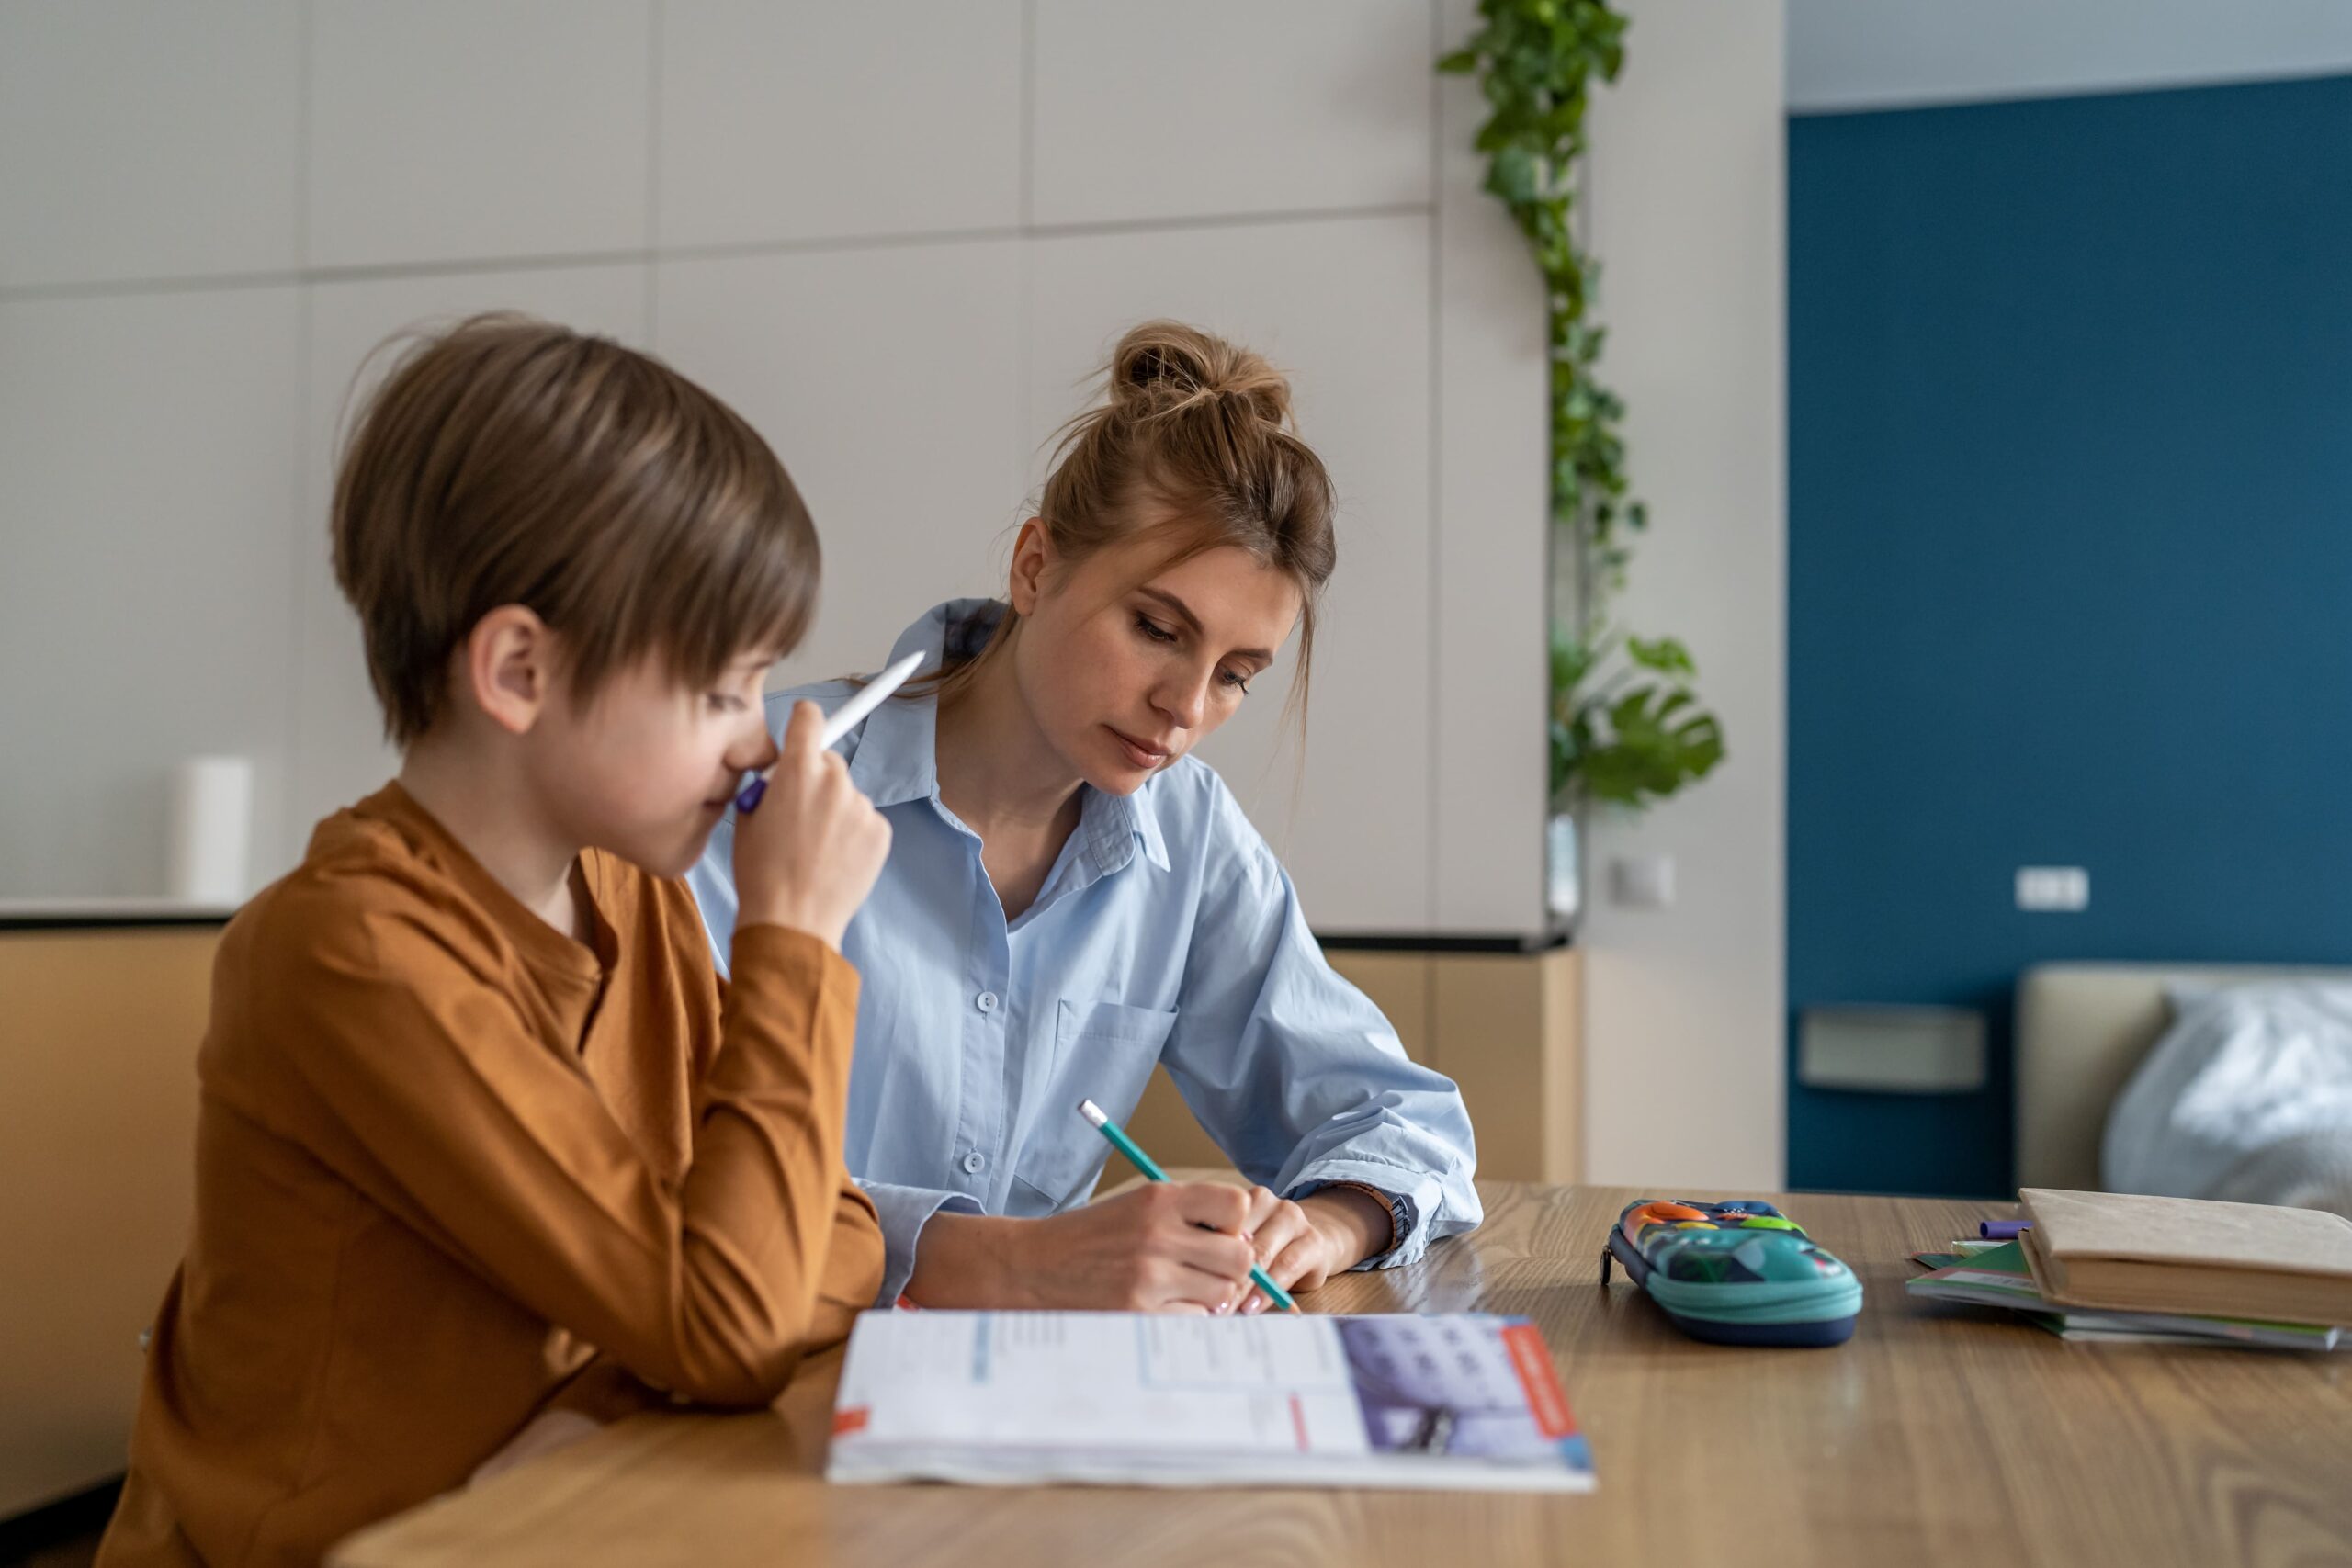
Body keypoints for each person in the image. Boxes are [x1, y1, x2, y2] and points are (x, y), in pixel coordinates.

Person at [99, 316, 891, 1565]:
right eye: (723, 688)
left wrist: (594, 1407)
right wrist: (795, 932)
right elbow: (737, 1317)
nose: (759, 741)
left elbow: (835, 1236)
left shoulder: (635, 892)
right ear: (519, 668)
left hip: (550, 1523)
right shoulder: (347, 951)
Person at [688, 321, 1480, 1315]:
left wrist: (1328, 1221)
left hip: (1038, 1397)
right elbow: (664, 1165)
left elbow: (1406, 1121)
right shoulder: (744, 784)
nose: (1185, 710)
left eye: (1236, 676)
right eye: (1155, 629)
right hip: (745, 1387)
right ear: (1033, 568)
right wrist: (1013, 1259)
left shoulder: (1183, 830)